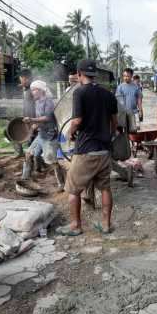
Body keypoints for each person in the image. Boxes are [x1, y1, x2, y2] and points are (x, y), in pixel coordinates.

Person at [59, 59, 118, 236]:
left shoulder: (79, 93)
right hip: (104, 150)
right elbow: (114, 123)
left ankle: (76, 226)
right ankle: (106, 225)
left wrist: (70, 132)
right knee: (105, 188)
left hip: (86, 150)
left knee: (72, 189)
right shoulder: (108, 94)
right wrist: (108, 137)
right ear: (95, 75)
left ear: (79, 74)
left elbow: (77, 120)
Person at [21, 80, 65, 190]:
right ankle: (25, 179)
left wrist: (32, 119)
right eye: (31, 90)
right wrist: (34, 125)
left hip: (50, 135)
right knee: (28, 154)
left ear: (41, 90)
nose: (32, 92)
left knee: (52, 160)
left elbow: (47, 118)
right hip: (41, 134)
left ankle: (62, 184)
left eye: (34, 90)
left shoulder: (48, 101)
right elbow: (40, 120)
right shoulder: (37, 102)